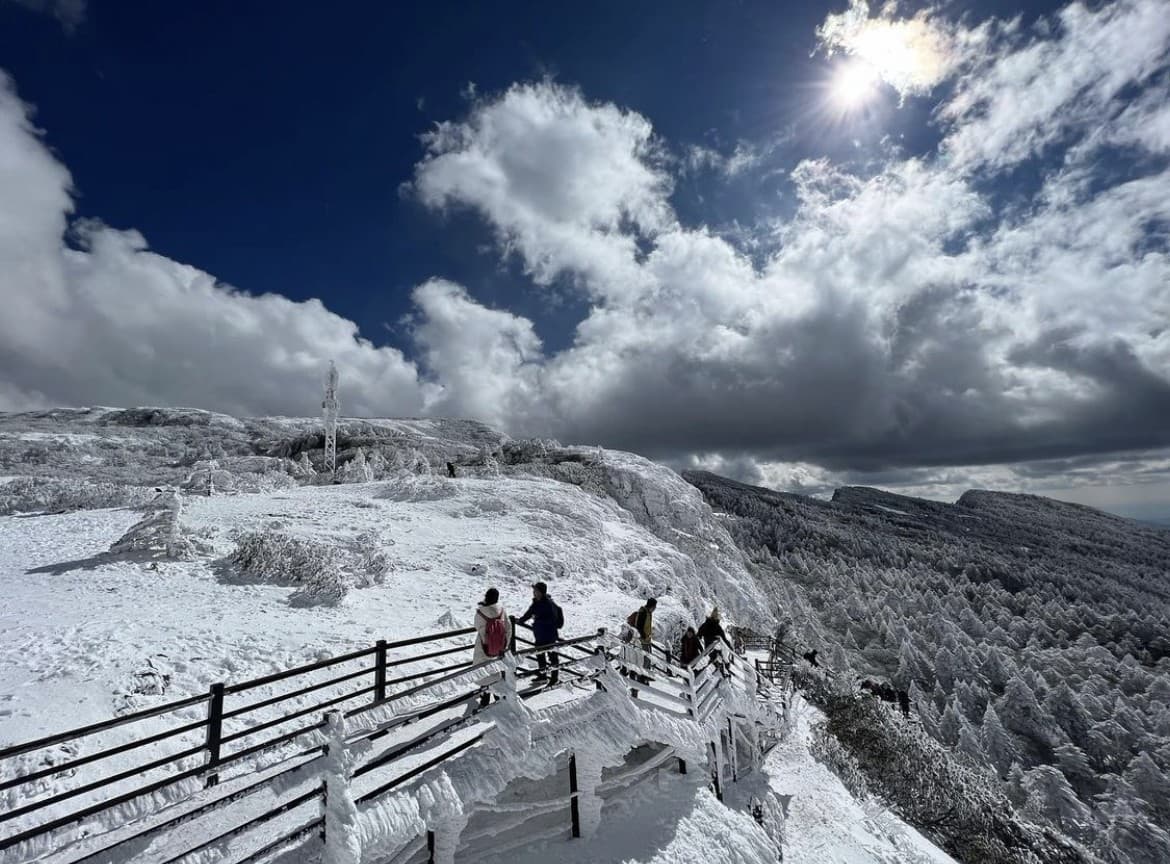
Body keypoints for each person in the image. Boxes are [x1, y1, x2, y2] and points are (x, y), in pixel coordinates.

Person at [517, 581, 563, 685]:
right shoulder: (537, 603)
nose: (534, 592)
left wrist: (538, 620)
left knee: (552, 657)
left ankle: (554, 679)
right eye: (534, 590)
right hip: (541, 635)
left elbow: (554, 620)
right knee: (540, 655)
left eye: (536, 591)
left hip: (549, 635)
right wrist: (520, 621)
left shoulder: (548, 604)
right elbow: (529, 613)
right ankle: (543, 676)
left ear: (541, 592)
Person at [473, 588, 511, 707]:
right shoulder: (501, 611)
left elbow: (477, 627)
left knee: (484, 672)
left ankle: (484, 700)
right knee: (495, 670)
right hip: (498, 648)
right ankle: (497, 697)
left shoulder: (481, 612)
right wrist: (504, 645)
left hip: (483, 647)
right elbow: (508, 628)